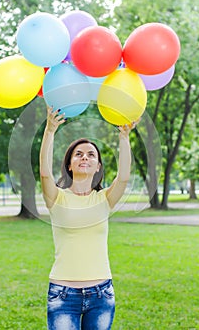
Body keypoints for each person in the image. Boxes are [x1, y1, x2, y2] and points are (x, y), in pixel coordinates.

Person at [40, 106, 138, 330]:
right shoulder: (56, 197)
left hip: (101, 294)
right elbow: (44, 172)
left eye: (91, 154)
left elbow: (123, 177)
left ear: (98, 167)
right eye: (79, 154)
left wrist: (124, 137)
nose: (85, 157)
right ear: (70, 165)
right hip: (63, 295)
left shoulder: (104, 199)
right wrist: (50, 130)